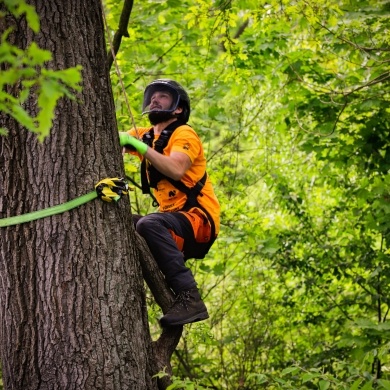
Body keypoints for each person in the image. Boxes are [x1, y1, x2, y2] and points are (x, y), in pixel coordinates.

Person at [119, 79, 220, 327]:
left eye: (162, 96)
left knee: (149, 224)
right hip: (170, 223)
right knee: (121, 222)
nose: (155, 100)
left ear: (177, 108)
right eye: (153, 96)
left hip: (198, 221)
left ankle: (190, 298)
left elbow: (176, 169)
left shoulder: (184, 133)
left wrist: (138, 145)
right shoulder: (146, 135)